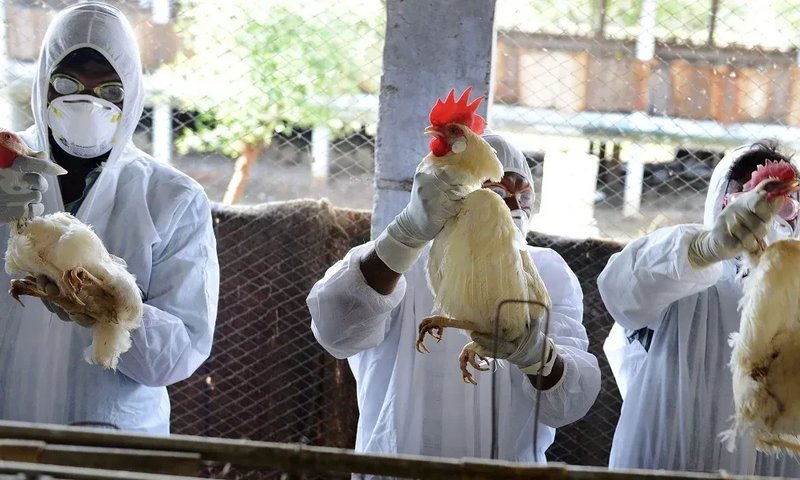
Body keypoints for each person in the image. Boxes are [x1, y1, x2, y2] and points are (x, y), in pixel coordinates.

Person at [307, 132, 601, 463]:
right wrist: (404, 236)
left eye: (525, 195)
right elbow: (334, 330)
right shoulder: (396, 263)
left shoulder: (547, 271)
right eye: (498, 193)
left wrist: (536, 354)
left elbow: (569, 403)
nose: (515, 208)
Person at [0, 3, 219, 433]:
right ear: (42, 83)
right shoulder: (5, 165)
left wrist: (113, 309)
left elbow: (176, 358)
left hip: (110, 435)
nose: (87, 102)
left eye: (110, 91)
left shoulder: (171, 198)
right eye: (67, 83)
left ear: (132, 93)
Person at [599, 141, 800, 476]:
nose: (770, 216)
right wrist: (704, 249)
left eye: (787, 206)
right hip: (670, 462)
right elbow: (619, 290)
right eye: (747, 197)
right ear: (723, 205)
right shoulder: (684, 270)